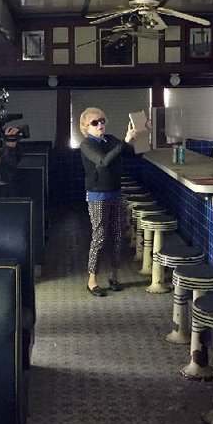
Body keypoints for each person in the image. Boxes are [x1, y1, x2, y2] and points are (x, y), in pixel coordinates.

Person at [79, 107, 138, 297]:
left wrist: (141, 135)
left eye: (102, 121)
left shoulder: (111, 139)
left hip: (115, 192)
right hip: (97, 195)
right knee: (100, 236)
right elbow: (102, 162)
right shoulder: (87, 145)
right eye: (94, 123)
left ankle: (115, 276)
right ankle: (92, 280)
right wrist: (124, 142)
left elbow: (132, 153)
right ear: (85, 127)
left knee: (118, 234)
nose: (100, 125)